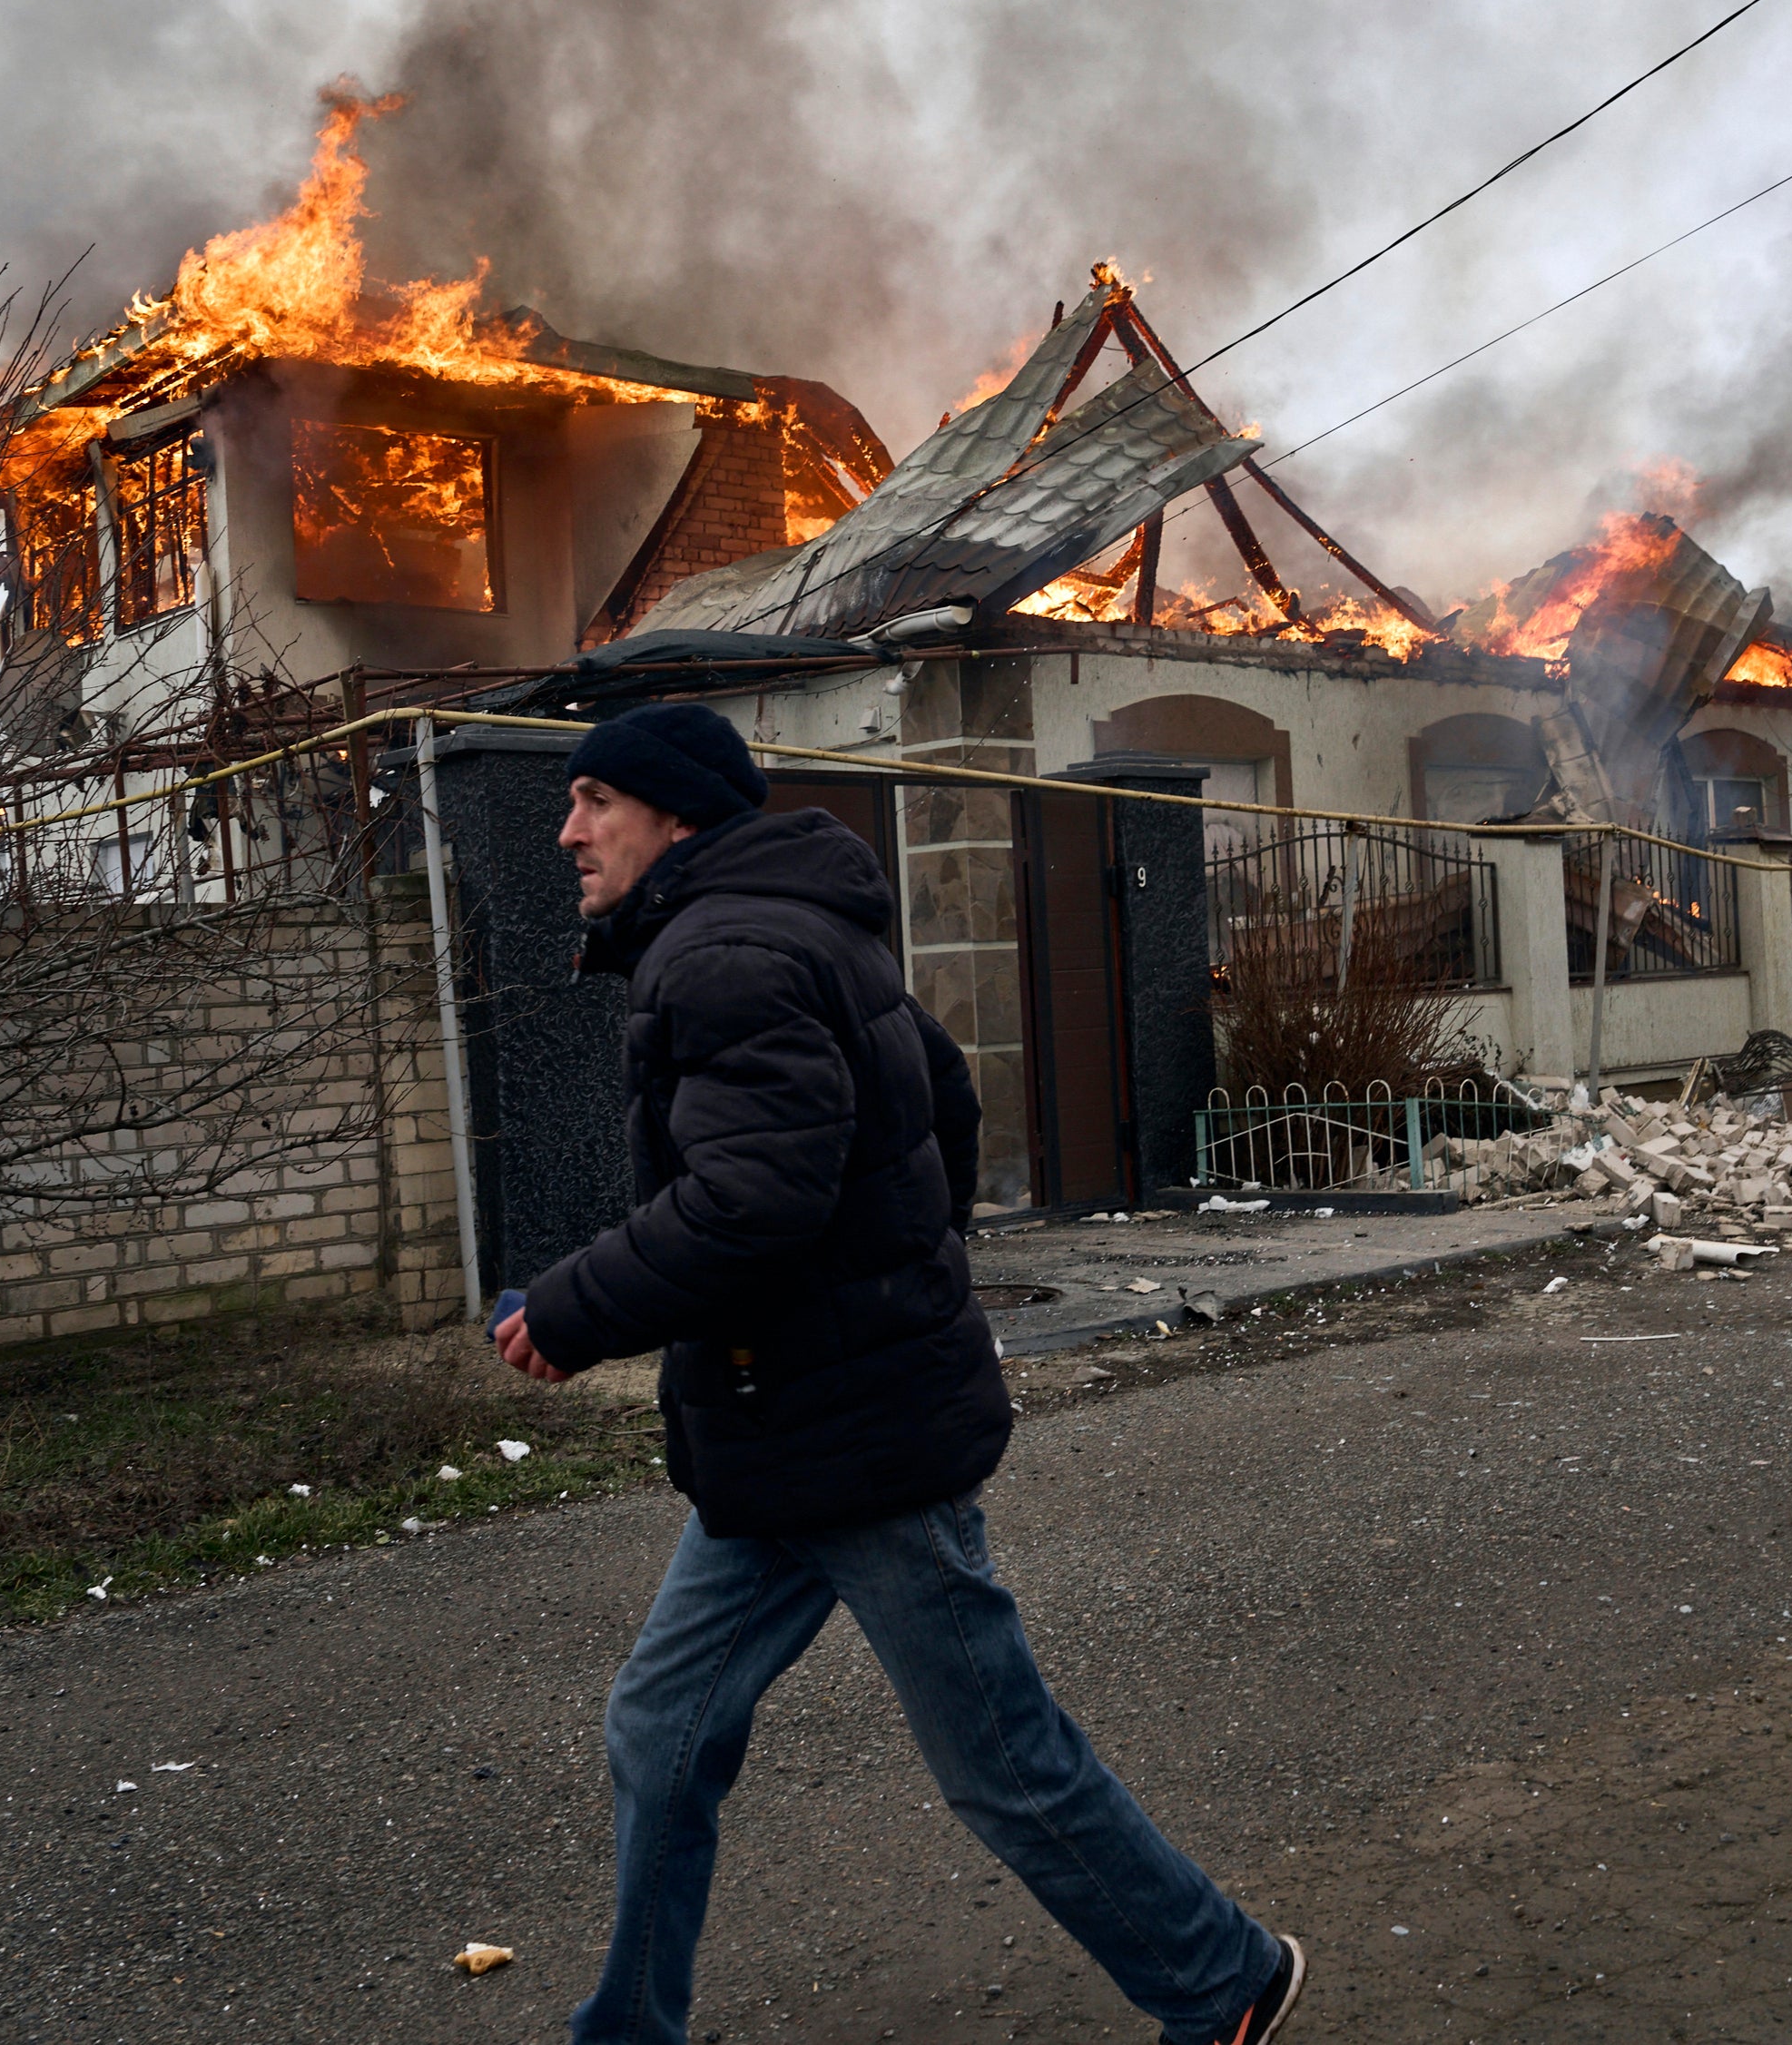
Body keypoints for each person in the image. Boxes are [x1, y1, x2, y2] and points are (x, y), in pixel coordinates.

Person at [487, 702, 1305, 2045]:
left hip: (851, 1438)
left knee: (1001, 1762)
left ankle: (1224, 1978)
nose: (567, 830)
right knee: (660, 1732)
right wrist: (902, 1273)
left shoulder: (727, 953)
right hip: (788, 1427)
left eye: (593, 801)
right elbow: (946, 1100)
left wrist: (573, 1310)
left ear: (675, 813)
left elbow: (751, 1201)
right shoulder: (797, 925)